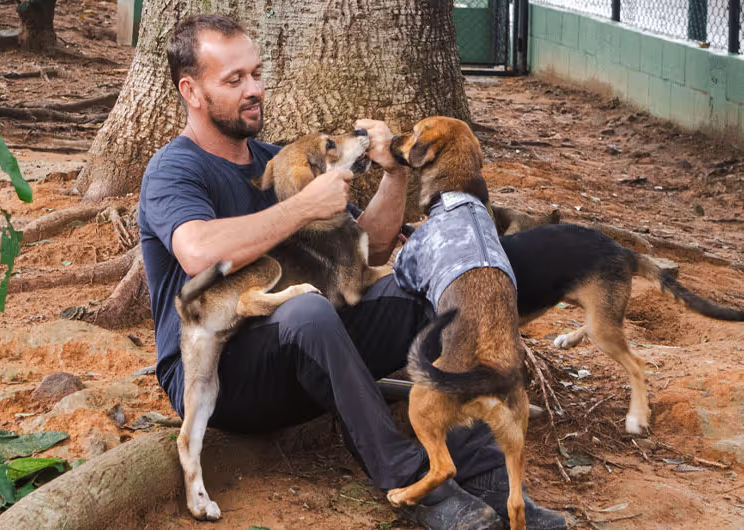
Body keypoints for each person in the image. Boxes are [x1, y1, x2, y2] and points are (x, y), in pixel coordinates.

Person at [138, 14, 566, 530]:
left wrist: (393, 172)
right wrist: (300, 208)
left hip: (307, 352)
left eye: (255, 73)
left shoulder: (279, 159)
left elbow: (368, 248)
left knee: (428, 295)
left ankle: (492, 481)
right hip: (224, 380)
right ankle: (418, 490)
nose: (254, 89)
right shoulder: (174, 169)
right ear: (192, 91)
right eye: (234, 80)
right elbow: (198, 253)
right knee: (308, 310)